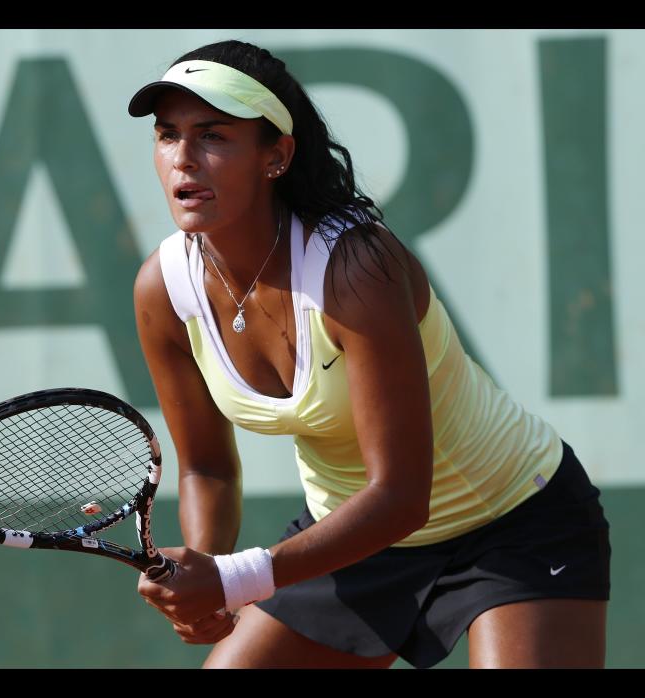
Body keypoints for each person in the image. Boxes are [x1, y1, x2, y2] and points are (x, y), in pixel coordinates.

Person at [127, 39, 611, 669]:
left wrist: (237, 579)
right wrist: (209, 575)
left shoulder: (356, 269)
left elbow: (402, 496)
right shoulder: (163, 289)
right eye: (168, 135)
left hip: (513, 522)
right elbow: (208, 470)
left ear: (275, 156)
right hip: (352, 541)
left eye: (214, 135)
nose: (183, 159)